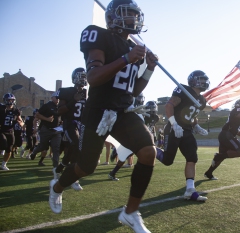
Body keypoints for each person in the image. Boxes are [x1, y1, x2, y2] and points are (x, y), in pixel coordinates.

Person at [49, 1, 158, 232]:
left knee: (149, 151)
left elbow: (133, 91)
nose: (133, 19)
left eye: (135, 15)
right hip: (99, 110)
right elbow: (94, 77)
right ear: (113, 17)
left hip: (123, 111)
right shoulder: (99, 36)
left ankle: (130, 212)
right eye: (127, 14)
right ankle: (57, 187)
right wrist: (127, 59)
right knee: (86, 167)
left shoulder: (132, 45)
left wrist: (148, 68)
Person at [156, 70, 210, 202]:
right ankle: (150, 148)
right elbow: (169, 106)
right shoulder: (183, 90)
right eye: (200, 79)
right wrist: (174, 124)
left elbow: (192, 114)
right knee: (168, 161)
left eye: (204, 80)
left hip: (187, 130)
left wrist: (195, 125)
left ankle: (190, 190)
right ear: (193, 80)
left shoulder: (202, 100)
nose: (203, 82)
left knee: (192, 157)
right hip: (174, 128)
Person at [203, 99, 240, 180]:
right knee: (239, 152)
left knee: (222, 156)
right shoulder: (237, 110)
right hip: (227, 135)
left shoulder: (238, 114)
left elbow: (236, 130)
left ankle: (209, 173)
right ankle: (217, 156)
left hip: (225, 134)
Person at [52, 67, 87, 191]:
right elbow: (59, 111)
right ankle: (74, 178)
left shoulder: (86, 93)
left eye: (84, 76)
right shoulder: (66, 91)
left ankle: (59, 169)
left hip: (81, 125)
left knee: (75, 148)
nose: (83, 79)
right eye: (81, 76)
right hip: (69, 123)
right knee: (76, 145)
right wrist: (74, 100)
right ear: (74, 78)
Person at [30, 92, 62, 168]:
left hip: (56, 130)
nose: (58, 99)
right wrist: (47, 119)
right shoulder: (47, 106)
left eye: (59, 98)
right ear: (52, 98)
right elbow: (37, 115)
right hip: (46, 129)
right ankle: (34, 151)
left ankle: (55, 167)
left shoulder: (60, 106)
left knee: (56, 148)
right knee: (43, 147)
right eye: (56, 97)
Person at [0, 93, 24, 170]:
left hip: (10, 131)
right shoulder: (1, 109)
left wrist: (21, 123)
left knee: (9, 148)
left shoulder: (16, 111)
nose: (10, 102)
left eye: (12, 100)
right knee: (3, 144)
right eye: (8, 100)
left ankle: (3, 164)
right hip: (1, 130)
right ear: (5, 100)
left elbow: (20, 120)